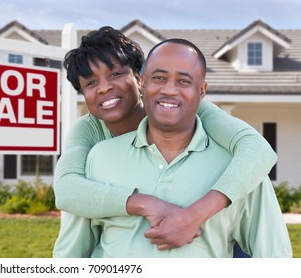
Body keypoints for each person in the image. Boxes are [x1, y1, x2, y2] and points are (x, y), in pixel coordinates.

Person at [52, 27, 278, 258]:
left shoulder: (191, 108)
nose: (104, 87)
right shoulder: (90, 137)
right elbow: (68, 190)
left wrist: (193, 216)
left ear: (139, 79)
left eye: (114, 74)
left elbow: (258, 150)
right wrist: (146, 203)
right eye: (90, 83)